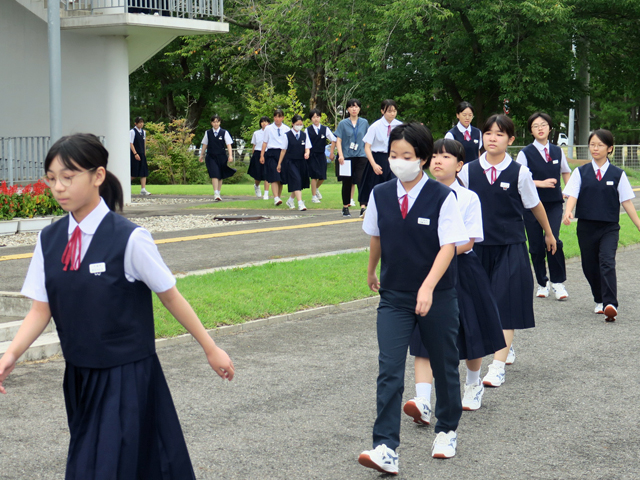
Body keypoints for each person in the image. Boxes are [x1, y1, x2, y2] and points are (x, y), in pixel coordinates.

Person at [0, 133, 235, 479]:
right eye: (52, 178)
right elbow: (41, 309)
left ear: (97, 176)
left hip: (126, 376)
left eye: (69, 177)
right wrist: (10, 355)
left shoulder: (129, 238)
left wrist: (210, 348)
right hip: (79, 374)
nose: (58, 187)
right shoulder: (48, 241)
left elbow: (170, 295)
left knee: (100, 467)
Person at [358, 123, 469, 475]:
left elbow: (449, 246)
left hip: (437, 296)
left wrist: (428, 287)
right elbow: (376, 236)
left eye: (406, 156)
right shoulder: (380, 194)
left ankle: (447, 430)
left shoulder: (442, 197)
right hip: (393, 296)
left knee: (444, 363)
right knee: (389, 369)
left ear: (421, 159)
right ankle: (385, 446)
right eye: (392, 156)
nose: (398, 162)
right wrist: (372, 270)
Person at [403, 139, 505, 425]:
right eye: (434, 155)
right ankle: (422, 400)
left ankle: (473, 385)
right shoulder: (418, 194)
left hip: (463, 268)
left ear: (460, 165)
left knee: (471, 330)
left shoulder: (468, 198)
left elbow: (469, 240)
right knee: (423, 335)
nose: (438, 160)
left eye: (446, 156)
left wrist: (440, 251)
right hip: (427, 271)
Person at [459, 114, 557, 387]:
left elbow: (534, 205)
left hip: (511, 246)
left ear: (510, 140)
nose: (492, 138)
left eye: (499, 134)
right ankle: (503, 345)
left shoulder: (520, 173)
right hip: (475, 248)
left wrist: (549, 233)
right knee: (479, 305)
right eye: (488, 133)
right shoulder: (467, 171)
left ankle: (497, 365)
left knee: (506, 302)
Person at [562, 129, 640, 322]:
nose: (595, 148)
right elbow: (573, 194)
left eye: (600, 145)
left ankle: (610, 303)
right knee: (589, 266)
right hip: (586, 227)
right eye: (592, 145)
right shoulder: (580, 172)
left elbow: (627, 202)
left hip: (609, 228)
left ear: (610, 148)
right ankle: (599, 299)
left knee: (607, 262)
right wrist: (568, 211)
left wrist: (638, 224)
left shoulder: (618, 174)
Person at [516, 112, 571, 300]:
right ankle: (542, 282)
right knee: (536, 245)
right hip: (531, 206)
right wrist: (540, 183)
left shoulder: (557, 151)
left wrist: (568, 191)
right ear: (531, 130)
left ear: (549, 128)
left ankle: (558, 282)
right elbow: (518, 179)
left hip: (554, 204)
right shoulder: (525, 153)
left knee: (553, 239)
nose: (540, 128)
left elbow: (566, 172)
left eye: (543, 125)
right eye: (535, 126)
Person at [359, 99, 402, 217]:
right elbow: (367, 147)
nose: (392, 114)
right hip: (378, 158)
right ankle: (371, 210)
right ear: (382, 111)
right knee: (376, 186)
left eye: (394, 111)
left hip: (393, 157)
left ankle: (393, 210)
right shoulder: (375, 126)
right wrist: (373, 164)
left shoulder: (399, 126)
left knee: (395, 184)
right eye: (389, 111)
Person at [335, 99, 370, 217]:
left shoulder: (364, 122)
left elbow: (368, 139)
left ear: (359, 108)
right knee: (347, 182)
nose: (354, 109)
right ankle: (345, 206)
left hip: (361, 156)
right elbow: (338, 140)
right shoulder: (343, 123)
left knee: (361, 180)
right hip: (347, 157)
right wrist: (340, 155)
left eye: (356, 107)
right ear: (347, 109)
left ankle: (363, 207)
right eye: (351, 107)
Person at [277, 114, 311, 211]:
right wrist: (279, 163)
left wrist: (307, 153)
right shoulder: (286, 135)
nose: (299, 126)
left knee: (299, 182)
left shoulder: (304, 135)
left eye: (301, 124)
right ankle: (300, 203)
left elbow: (307, 148)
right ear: (292, 124)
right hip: (290, 162)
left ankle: (291, 199)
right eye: (297, 124)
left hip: (301, 162)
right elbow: (283, 150)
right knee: (296, 180)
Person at [199, 114, 235, 201]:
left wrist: (230, 155)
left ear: (220, 122)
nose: (216, 124)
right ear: (211, 123)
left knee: (220, 175)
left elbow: (228, 144)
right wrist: (202, 155)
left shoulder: (224, 132)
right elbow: (204, 144)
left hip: (221, 156)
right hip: (211, 156)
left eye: (217, 122)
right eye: (214, 122)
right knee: (214, 173)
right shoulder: (207, 133)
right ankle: (215, 193)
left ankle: (218, 192)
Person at [260, 109, 290, 206]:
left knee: (281, 178)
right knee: (274, 175)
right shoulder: (268, 128)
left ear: (283, 118)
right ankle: (276, 197)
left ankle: (278, 197)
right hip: (272, 153)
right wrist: (262, 155)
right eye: (276, 117)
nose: (277, 119)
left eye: (279, 117)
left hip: (283, 153)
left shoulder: (286, 129)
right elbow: (265, 142)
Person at [306, 108, 336, 203]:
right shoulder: (308, 130)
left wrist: (331, 153)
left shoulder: (325, 129)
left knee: (322, 176)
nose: (316, 119)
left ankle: (316, 189)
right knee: (314, 176)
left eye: (317, 117)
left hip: (321, 155)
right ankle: (314, 196)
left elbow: (333, 140)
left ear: (320, 118)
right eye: (314, 117)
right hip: (312, 155)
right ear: (311, 119)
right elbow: (306, 143)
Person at [248, 116, 271, 199]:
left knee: (267, 174)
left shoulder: (271, 132)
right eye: (262, 122)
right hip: (258, 153)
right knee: (258, 175)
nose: (264, 123)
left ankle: (266, 193)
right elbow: (254, 145)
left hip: (268, 153)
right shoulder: (256, 133)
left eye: (266, 121)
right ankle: (257, 186)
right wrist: (253, 155)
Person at [130, 116, 150, 195]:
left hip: (142, 154)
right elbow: (131, 143)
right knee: (134, 173)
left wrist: (144, 153)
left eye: (142, 122)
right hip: (135, 154)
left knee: (143, 172)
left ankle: (143, 189)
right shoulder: (132, 131)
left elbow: (144, 143)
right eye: (140, 122)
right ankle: (124, 185)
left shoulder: (143, 132)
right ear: (136, 123)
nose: (141, 124)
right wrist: (135, 153)